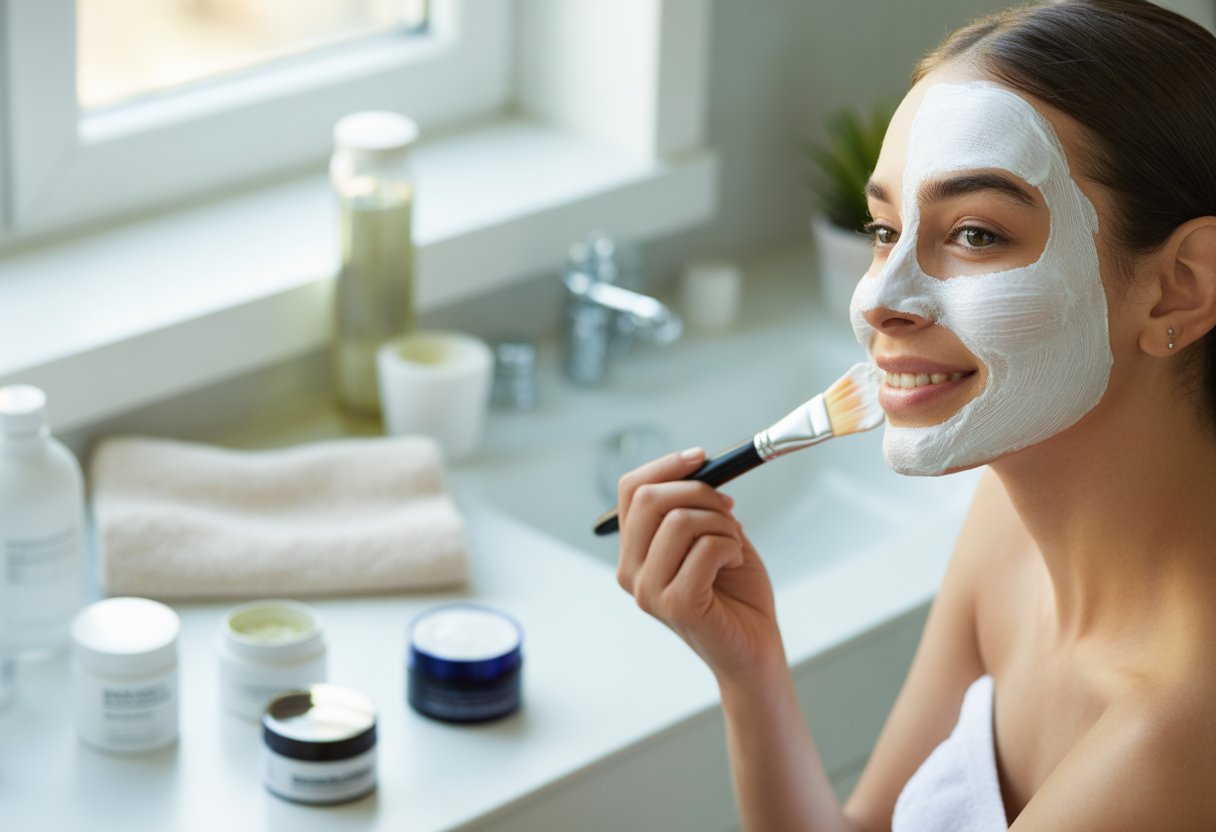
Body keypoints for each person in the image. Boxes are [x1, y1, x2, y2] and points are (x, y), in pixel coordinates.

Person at [613, 1, 1216, 828]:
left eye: (973, 233)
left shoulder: (1175, 739)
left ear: (1182, 283)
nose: (879, 299)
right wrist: (748, 670)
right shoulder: (1007, 519)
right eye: (884, 228)